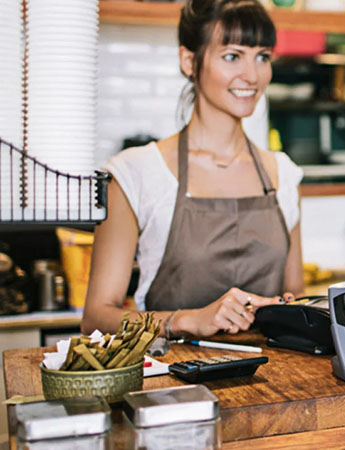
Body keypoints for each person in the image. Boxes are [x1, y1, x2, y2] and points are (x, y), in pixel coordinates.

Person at [82, 0, 304, 339]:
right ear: (189, 61)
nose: (252, 75)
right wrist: (187, 320)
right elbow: (97, 317)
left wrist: (287, 307)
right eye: (232, 56)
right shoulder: (135, 173)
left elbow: (296, 296)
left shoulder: (283, 175)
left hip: (274, 382)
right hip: (171, 383)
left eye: (263, 56)